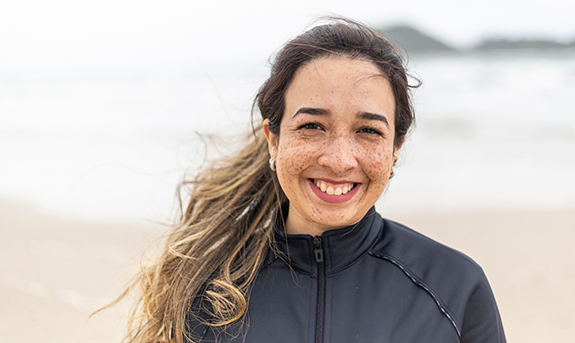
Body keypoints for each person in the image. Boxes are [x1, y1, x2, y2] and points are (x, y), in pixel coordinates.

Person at [121, 18, 506, 343]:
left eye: (368, 131)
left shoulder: (454, 289)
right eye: (312, 126)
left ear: (395, 148)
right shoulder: (206, 292)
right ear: (273, 138)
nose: (339, 160)